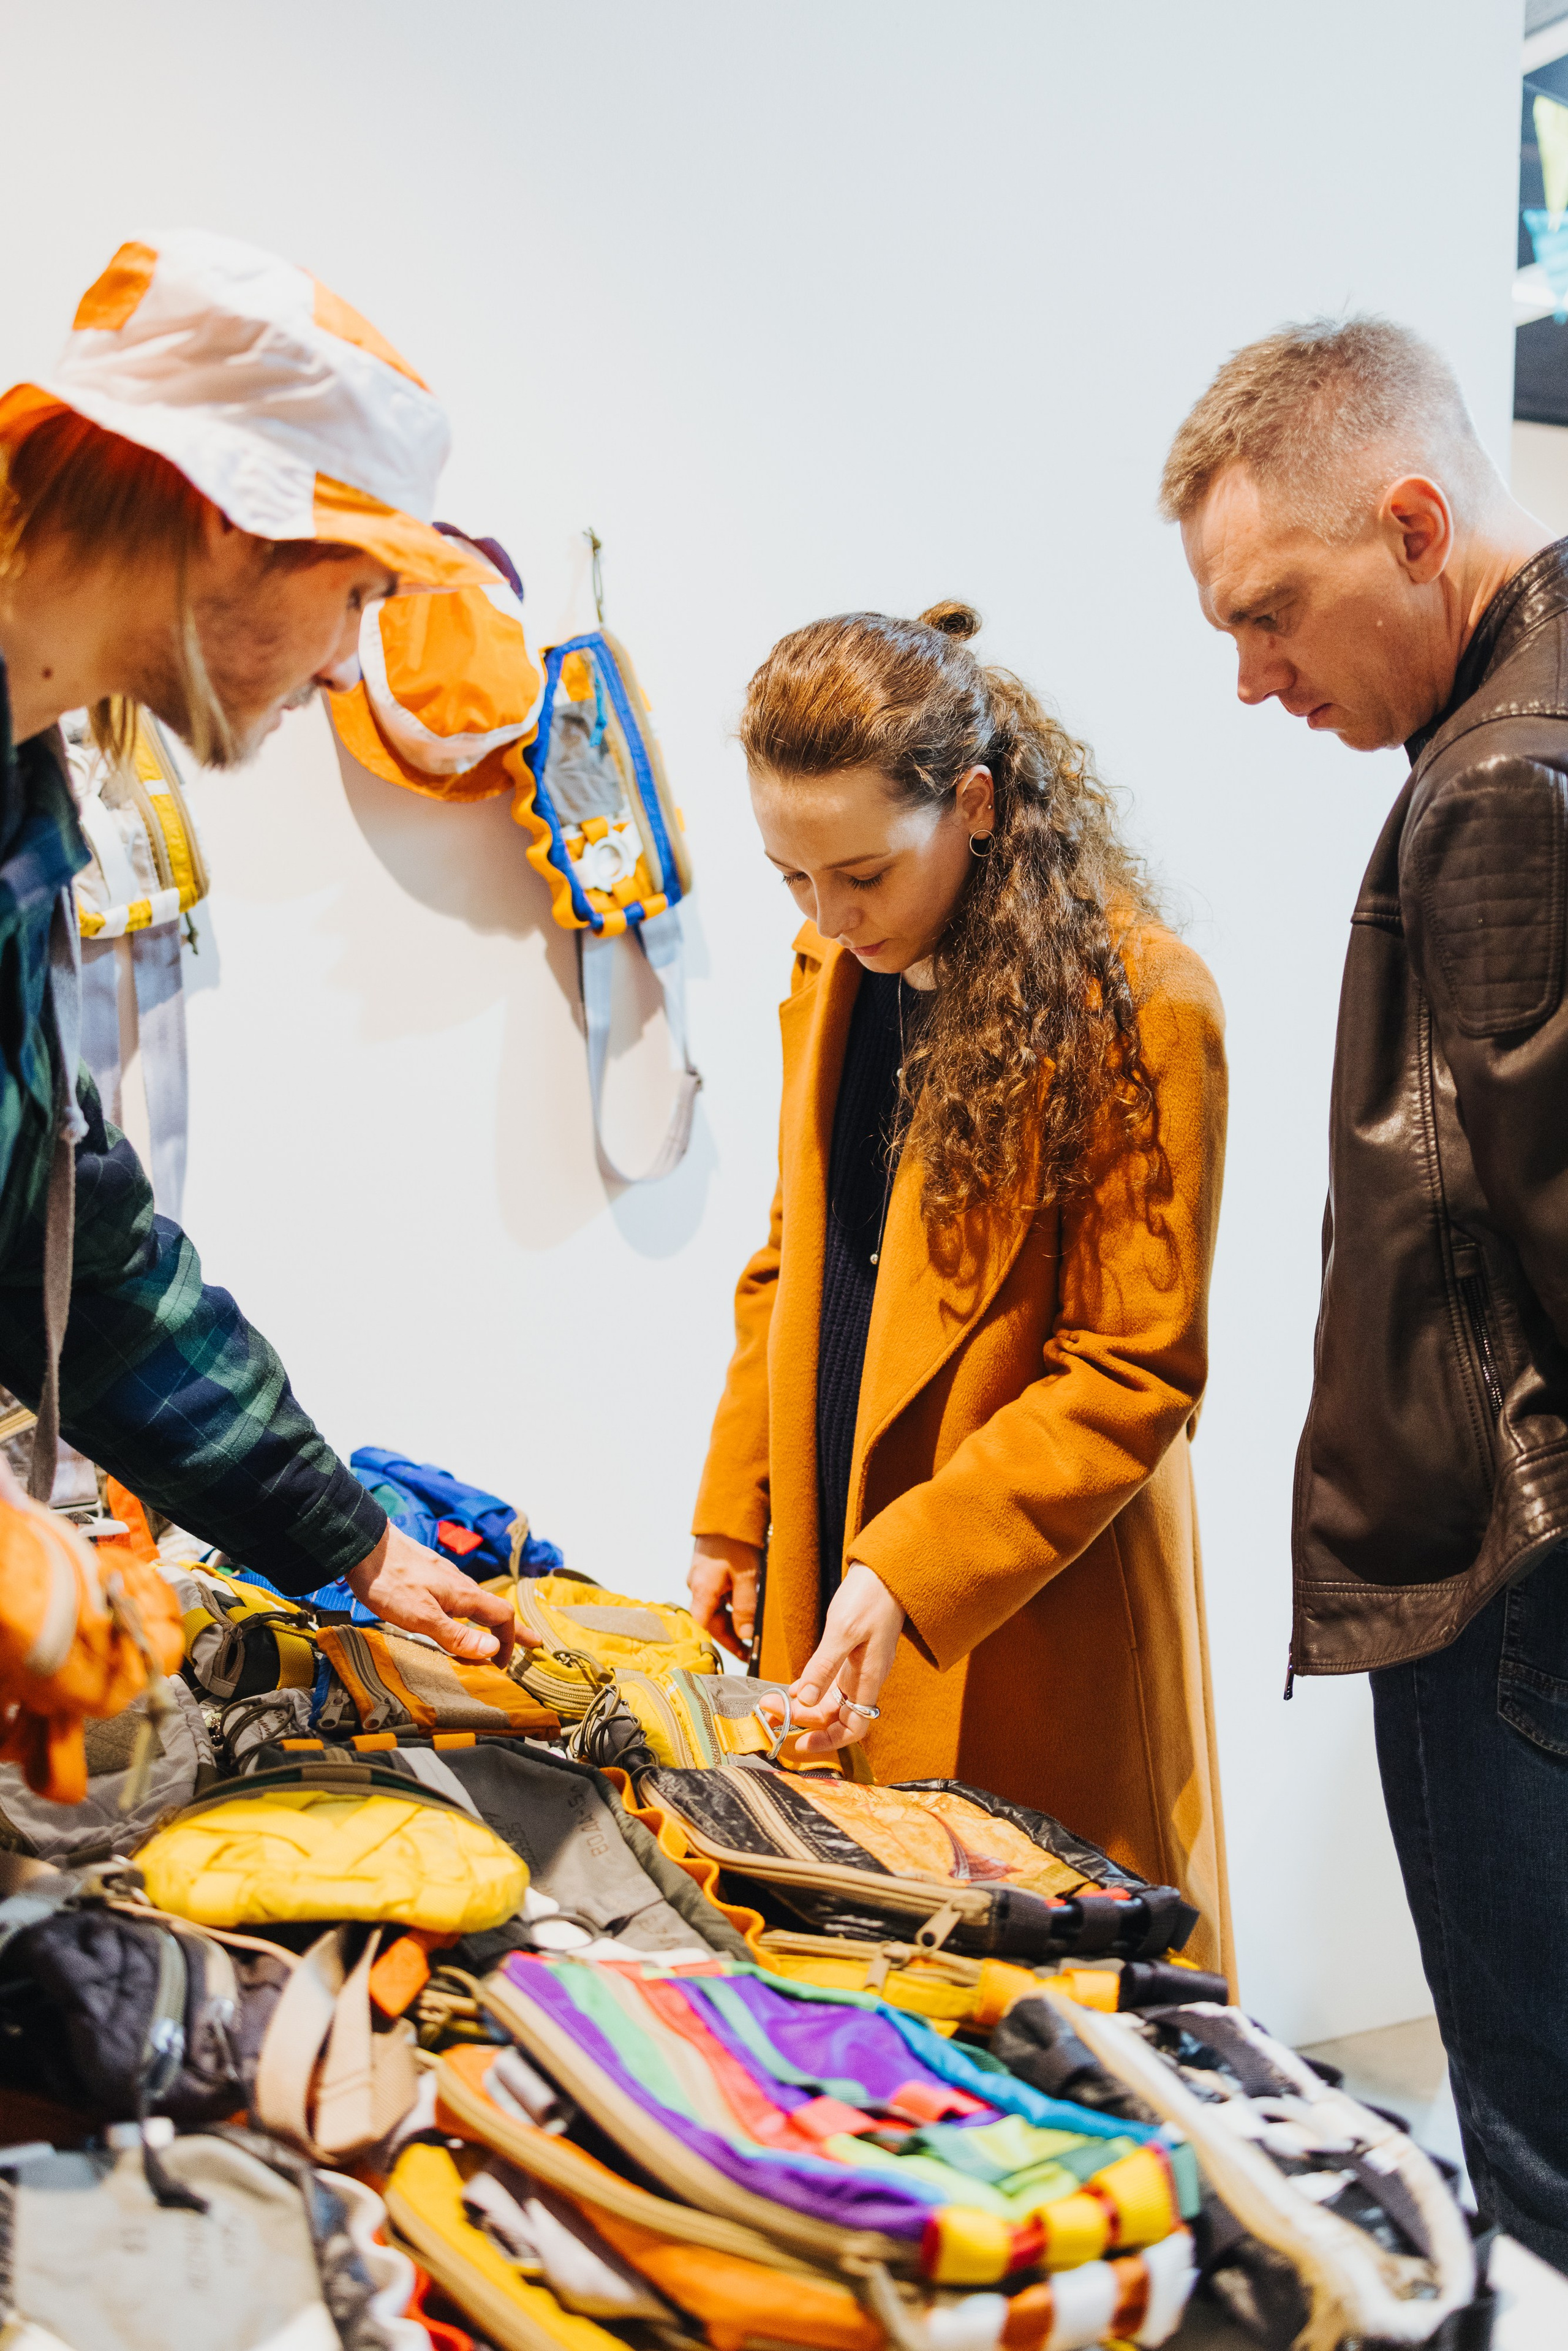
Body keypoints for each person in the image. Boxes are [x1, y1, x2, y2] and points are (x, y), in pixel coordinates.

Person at [1163, 315, 1568, 2265]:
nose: (1253, 678)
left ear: (1414, 523)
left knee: (1544, 2159)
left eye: (1272, 612)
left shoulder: (1503, 782)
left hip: (1508, 1581)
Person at [0, 230, 520, 1674]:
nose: (353, 661)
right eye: (358, 593)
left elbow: (54, 1236)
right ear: (233, 517)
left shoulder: (24, 792)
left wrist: (343, 1537)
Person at [687, 602, 1233, 1977]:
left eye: (861, 870)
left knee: (1040, 1986)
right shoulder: (832, 965)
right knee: (853, 1957)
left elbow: (1131, 1370)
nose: (827, 916)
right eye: (791, 878)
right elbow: (790, 1252)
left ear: (975, 804)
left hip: (1022, 1596)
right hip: (835, 1532)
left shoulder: (1139, 1004)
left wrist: (914, 1564)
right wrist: (736, 1512)